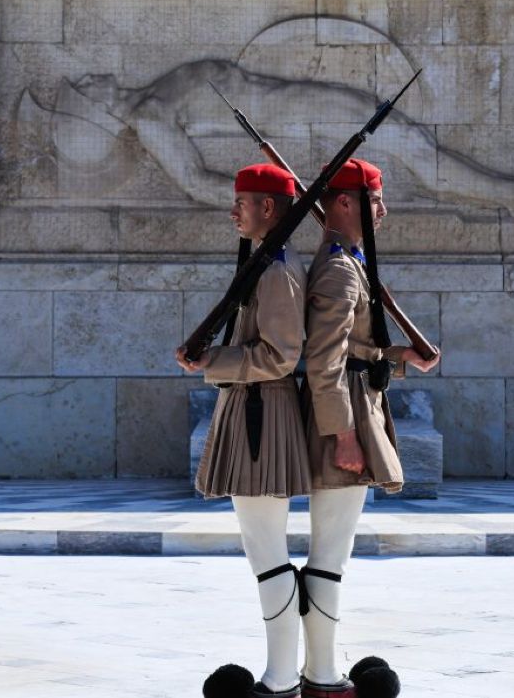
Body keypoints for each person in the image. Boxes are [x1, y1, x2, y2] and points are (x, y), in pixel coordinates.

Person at [298, 158, 439, 697]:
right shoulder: (338, 269)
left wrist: (400, 357)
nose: (383, 210)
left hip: (356, 406)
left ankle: (317, 667)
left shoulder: (349, 262)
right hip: (346, 418)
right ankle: (323, 677)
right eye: (375, 200)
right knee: (330, 556)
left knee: (333, 554)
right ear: (343, 203)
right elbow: (325, 360)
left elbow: (359, 352)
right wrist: (345, 434)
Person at [177, 163, 311, 698]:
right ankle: (286, 671)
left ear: (270, 210)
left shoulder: (277, 270)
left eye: (245, 201)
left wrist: (215, 359)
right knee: (263, 548)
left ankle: (281, 677)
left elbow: (280, 355)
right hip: (252, 407)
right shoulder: (265, 261)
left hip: (262, 411)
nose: (234, 210)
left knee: (265, 549)